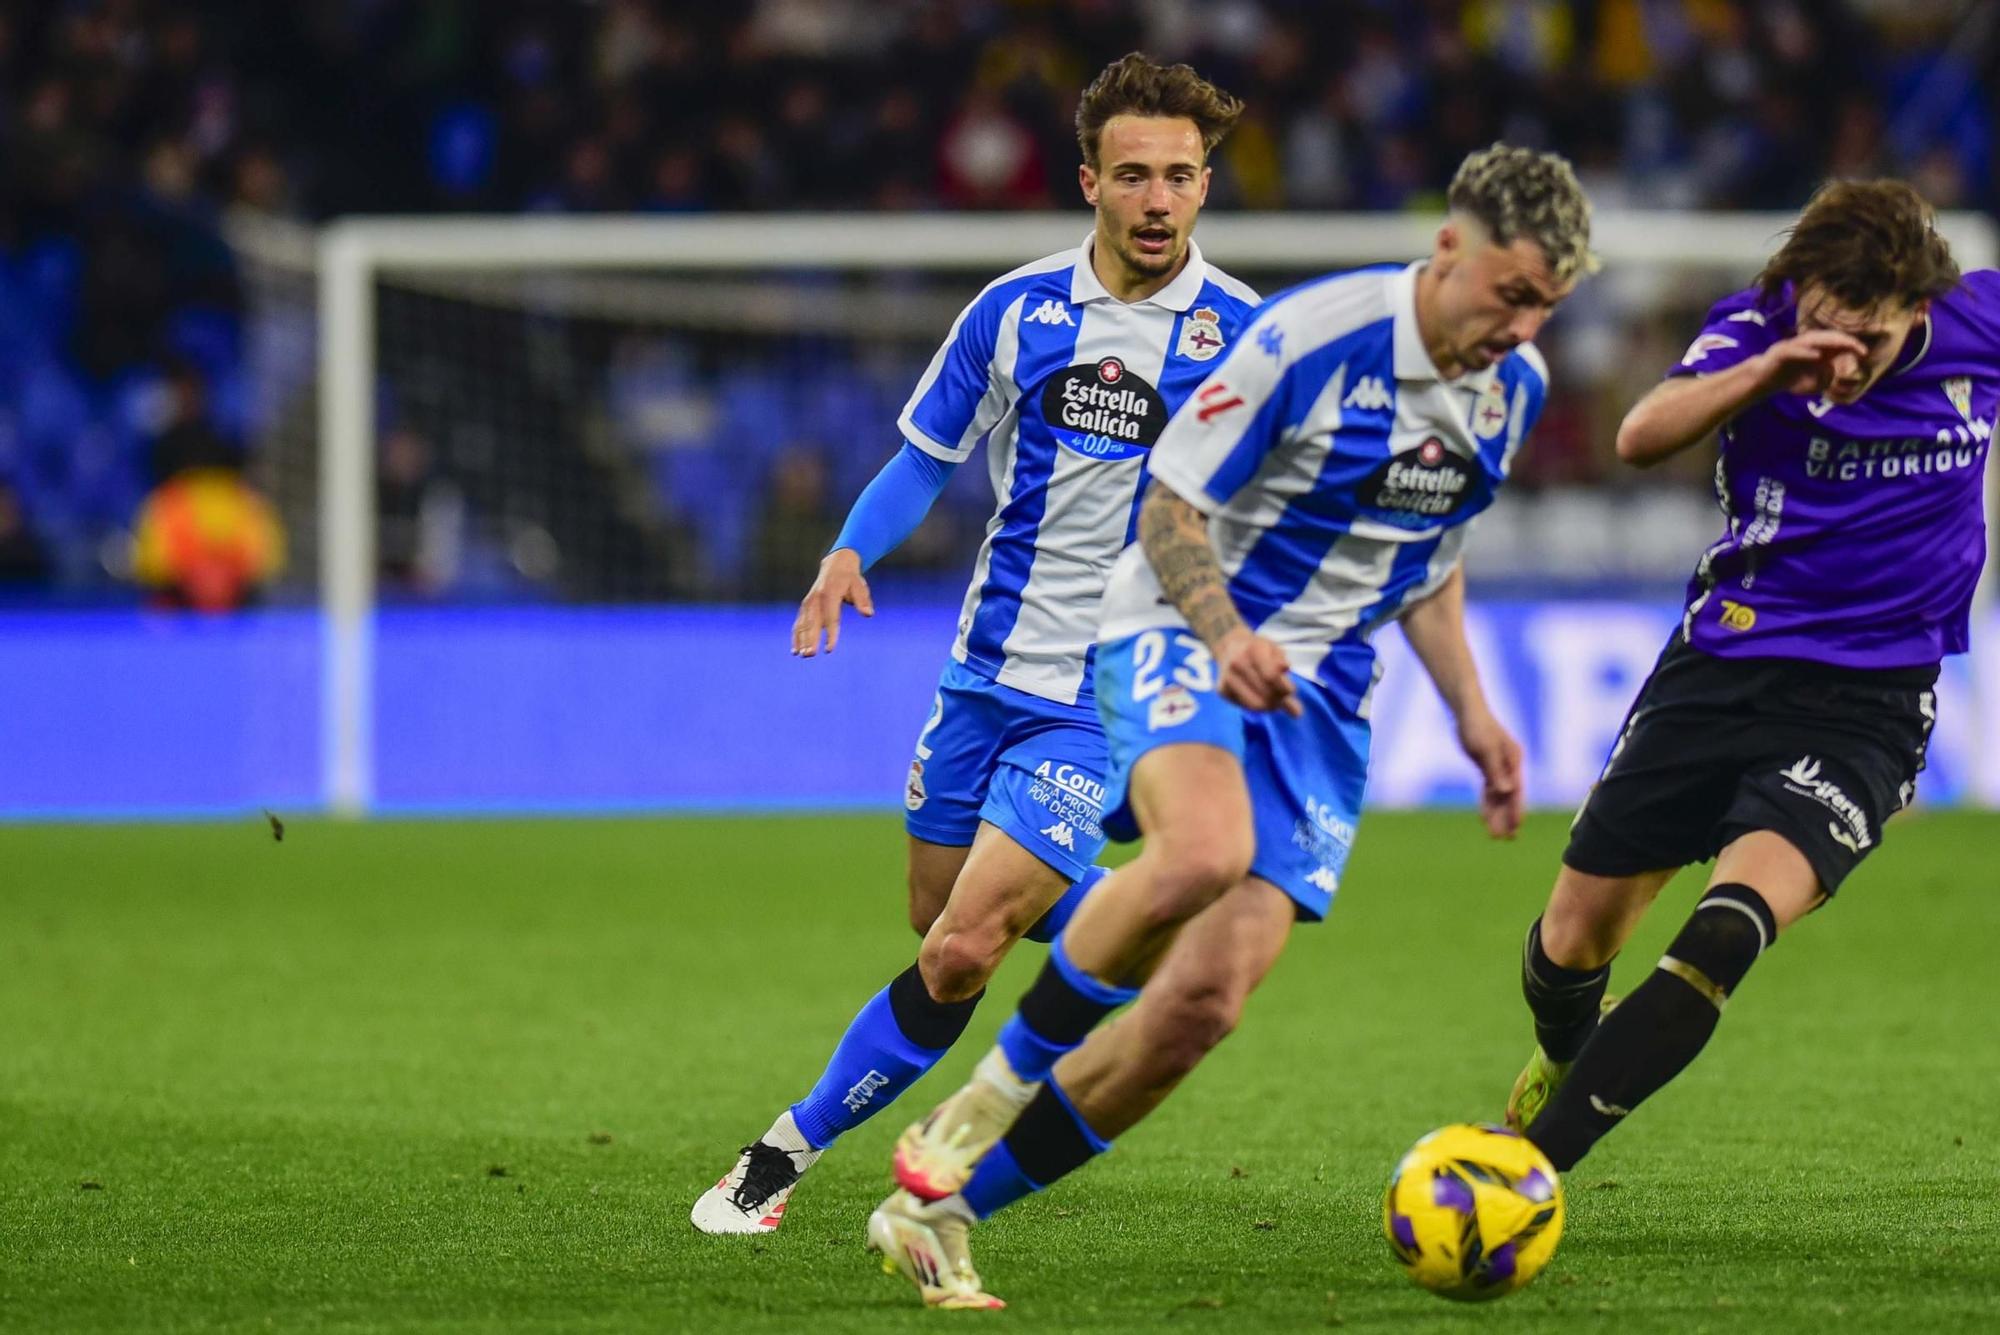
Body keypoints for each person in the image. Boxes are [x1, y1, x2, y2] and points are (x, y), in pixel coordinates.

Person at [871, 144, 1595, 1308]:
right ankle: (975, 1106)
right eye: (1508, 294)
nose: (1522, 325)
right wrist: (1223, 638)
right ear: (1447, 249)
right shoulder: (1305, 340)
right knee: (1198, 851)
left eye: (1546, 306)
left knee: (1199, 1010)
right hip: (1176, 622)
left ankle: (938, 1210)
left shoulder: (1513, 393)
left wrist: (1474, 715)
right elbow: (1167, 510)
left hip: (1320, 698)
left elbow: (1424, 563)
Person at [691, 53, 1262, 1235]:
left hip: (1105, 696)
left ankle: (777, 1157)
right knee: (934, 914)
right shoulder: (1014, 313)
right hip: (983, 672)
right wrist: (849, 550)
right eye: (1132, 176)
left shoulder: (1247, 345)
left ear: (1205, 188)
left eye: (1178, 177)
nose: (1156, 201)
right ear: (1088, 183)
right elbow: (923, 457)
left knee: (958, 951)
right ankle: (1142, 908)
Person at [1504, 179, 1994, 1173]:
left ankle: (1524, 1170)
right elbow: (1640, 436)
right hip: (1723, 664)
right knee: (1569, 948)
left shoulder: (1977, 322)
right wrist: (1772, 366)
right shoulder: (1755, 329)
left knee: (1724, 933)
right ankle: (1568, 1054)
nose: (1841, 357)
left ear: (1916, 307)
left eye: (1867, 335)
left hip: (1868, 701)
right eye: (1823, 325)